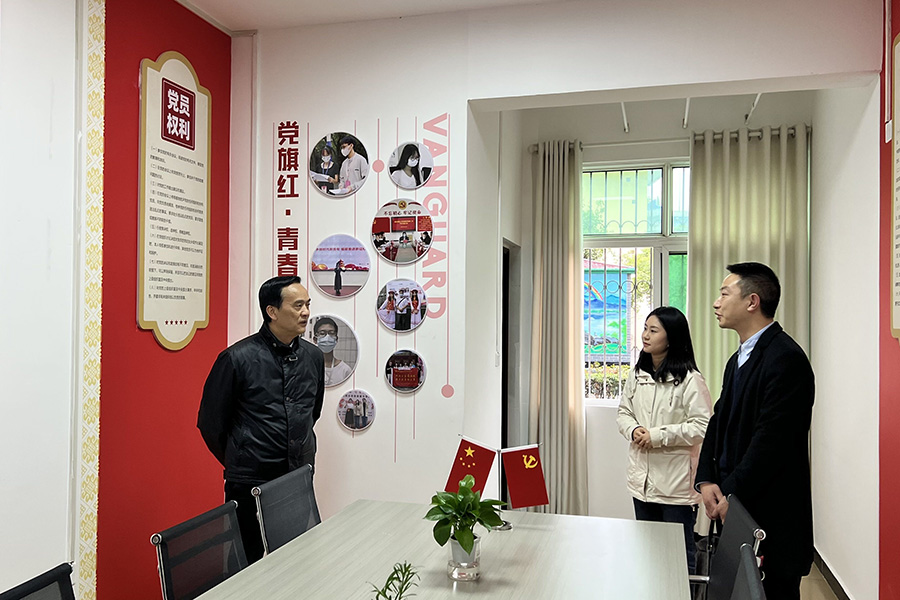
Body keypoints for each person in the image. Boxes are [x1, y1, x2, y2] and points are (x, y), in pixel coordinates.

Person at [696, 262, 815, 600]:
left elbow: (771, 443)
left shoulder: (785, 359)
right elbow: (719, 420)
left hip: (770, 519)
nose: (716, 303)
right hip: (735, 508)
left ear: (752, 301)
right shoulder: (738, 358)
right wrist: (707, 479)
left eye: (724, 294)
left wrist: (729, 493)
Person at [197, 275, 324, 564]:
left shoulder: (313, 357)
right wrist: (242, 456)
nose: (306, 312)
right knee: (245, 560)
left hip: (297, 474)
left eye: (307, 304)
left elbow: (312, 412)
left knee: (296, 557)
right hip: (249, 479)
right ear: (272, 311)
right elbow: (210, 423)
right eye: (297, 305)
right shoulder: (236, 358)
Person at [616, 306, 711, 574]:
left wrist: (656, 436)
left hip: (675, 487)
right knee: (648, 552)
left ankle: (684, 591)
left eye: (653, 330)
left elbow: (703, 426)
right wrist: (634, 430)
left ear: (671, 338)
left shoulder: (690, 380)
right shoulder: (638, 374)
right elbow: (623, 412)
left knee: (678, 557)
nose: (645, 335)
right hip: (642, 483)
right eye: (645, 329)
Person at [313, 316, 353, 386]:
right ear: (315, 339)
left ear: (336, 339)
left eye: (331, 333)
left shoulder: (345, 370)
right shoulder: (308, 367)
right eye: (322, 333)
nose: (327, 337)